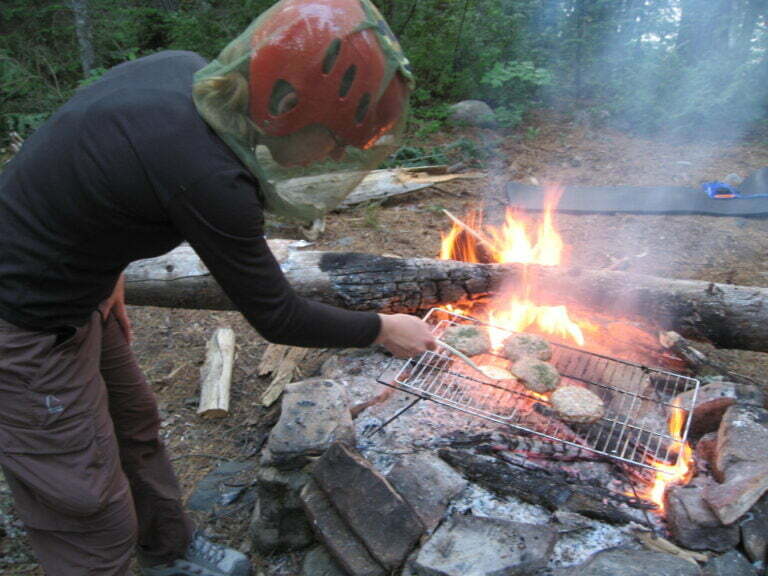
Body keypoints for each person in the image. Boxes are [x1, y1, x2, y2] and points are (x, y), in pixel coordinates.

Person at [0, 1, 435, 574]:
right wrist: (382, 328)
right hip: (24, 324)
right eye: (333, 139)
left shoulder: (182, 71)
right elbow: (278, 317)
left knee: (136, 428)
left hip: (81, 292)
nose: (335, 155)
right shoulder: (210, 177)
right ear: (285, 107)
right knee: (86, 507)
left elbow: (83, 170)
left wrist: (106, 272)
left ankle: (168, 554)